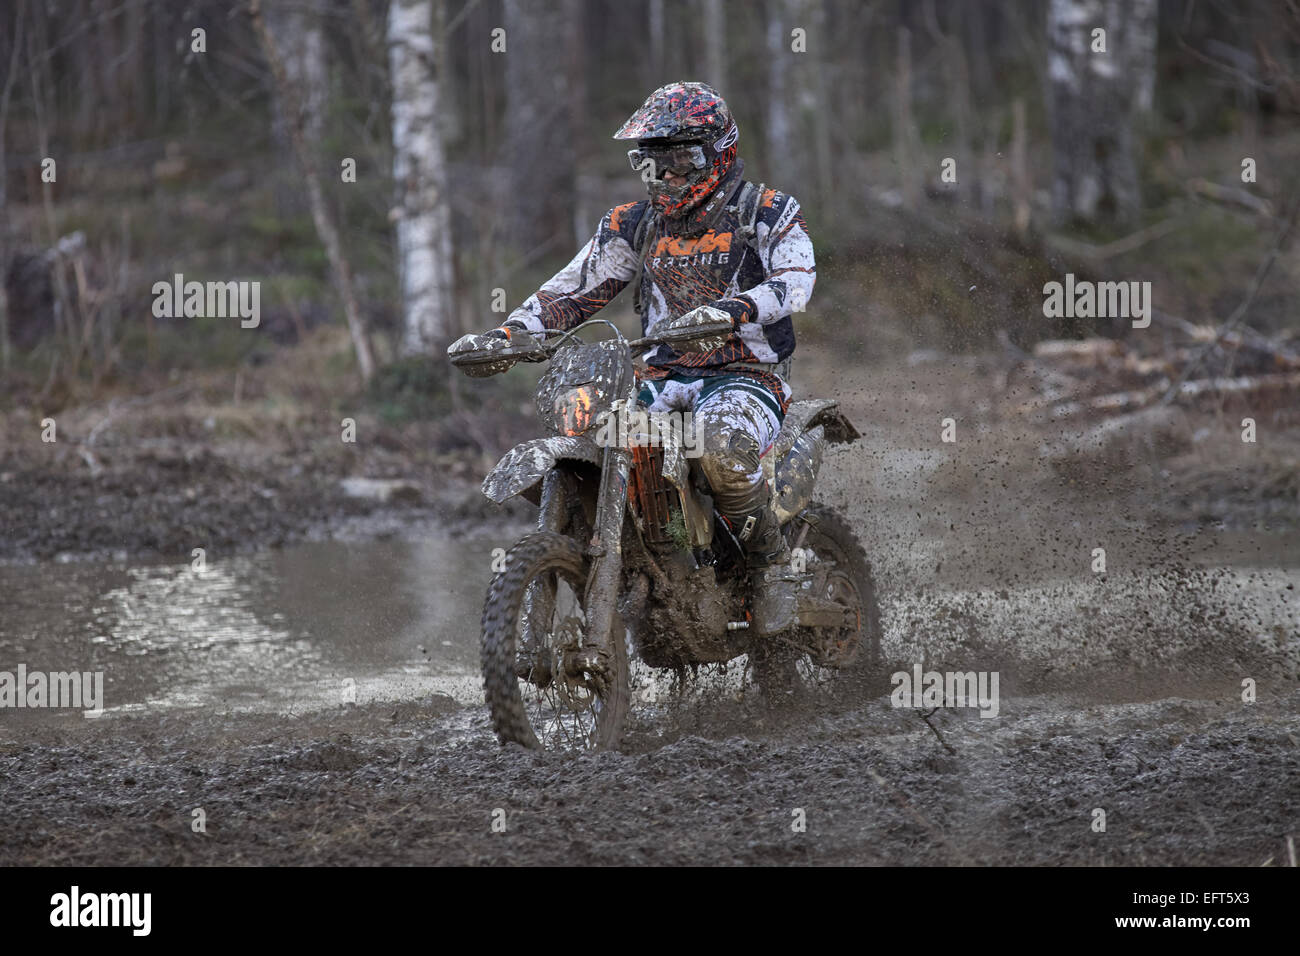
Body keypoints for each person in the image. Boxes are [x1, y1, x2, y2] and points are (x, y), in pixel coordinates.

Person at [449, 81, 816, 636]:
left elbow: (796, 283)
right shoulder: (634, 224)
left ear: (718, 152)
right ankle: (632, 558)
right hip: (659, 376)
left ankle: (772, 569)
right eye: (653, 163)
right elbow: (571, 290)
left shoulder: (764, 211)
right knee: (595, 433)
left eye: (682, 159)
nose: (666, 176)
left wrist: (733, 309)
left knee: (716, 451)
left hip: (744, 376)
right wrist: (509, 333)